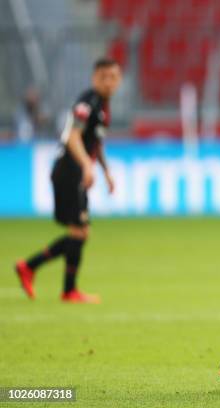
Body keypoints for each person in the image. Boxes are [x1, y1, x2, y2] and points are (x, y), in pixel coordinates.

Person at [14, 57, 122, 303]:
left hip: (76, 171)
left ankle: (45, 276)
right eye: (104, 77)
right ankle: (55, 282)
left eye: (113, 77)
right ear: (94, 78)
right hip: (69, 170)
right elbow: (73, 136)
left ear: (119, 80)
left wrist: (105, 171)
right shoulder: (88, 101)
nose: (109, 82)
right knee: (80, 230)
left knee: (81, 231)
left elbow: (95, 141)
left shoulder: (103, 106)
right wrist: (86, 165)